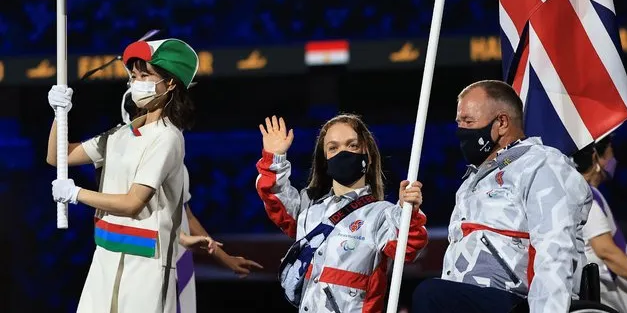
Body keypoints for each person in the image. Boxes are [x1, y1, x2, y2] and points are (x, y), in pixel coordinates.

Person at [47, 38, 213, 313]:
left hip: (146, 261)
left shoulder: (167, 137)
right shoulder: (119, 134)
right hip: (106, 254)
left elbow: (133, 202)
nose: (137, 82)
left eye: (145, 75)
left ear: (170, 83)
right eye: (134, 76)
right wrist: (59, 115)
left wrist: (76, 194)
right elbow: (57, 157)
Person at [412, 80, 593, 313]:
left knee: (431, 295)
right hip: (472, 298)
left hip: (520, 301)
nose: (461, 131)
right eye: (459, 123)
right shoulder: (470, 183)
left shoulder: (542, 164)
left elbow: (554, 249)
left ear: (502, 122)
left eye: (468, 121)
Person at [256, 114, 428, 312]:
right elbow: (274, 197)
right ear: (325, 159)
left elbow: (408, 248)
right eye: (333, 148)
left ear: (368, 155)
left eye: (352, 145)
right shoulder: (308, 209)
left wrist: (409, 211)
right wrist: (275, 158)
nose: (342, 153)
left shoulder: (383, 215)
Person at [119, 90, 264, 312]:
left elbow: (185, 214)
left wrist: (225, 258)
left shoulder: (177, 162)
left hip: (181, 260)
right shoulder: (123, 163)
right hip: (145, 262)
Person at [572, 136, 627, 312]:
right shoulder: (587, 199)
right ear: (595, 157)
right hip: (606, 297)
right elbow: (606, 251)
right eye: (611, 151)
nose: (613, 158)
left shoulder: (585, 193)